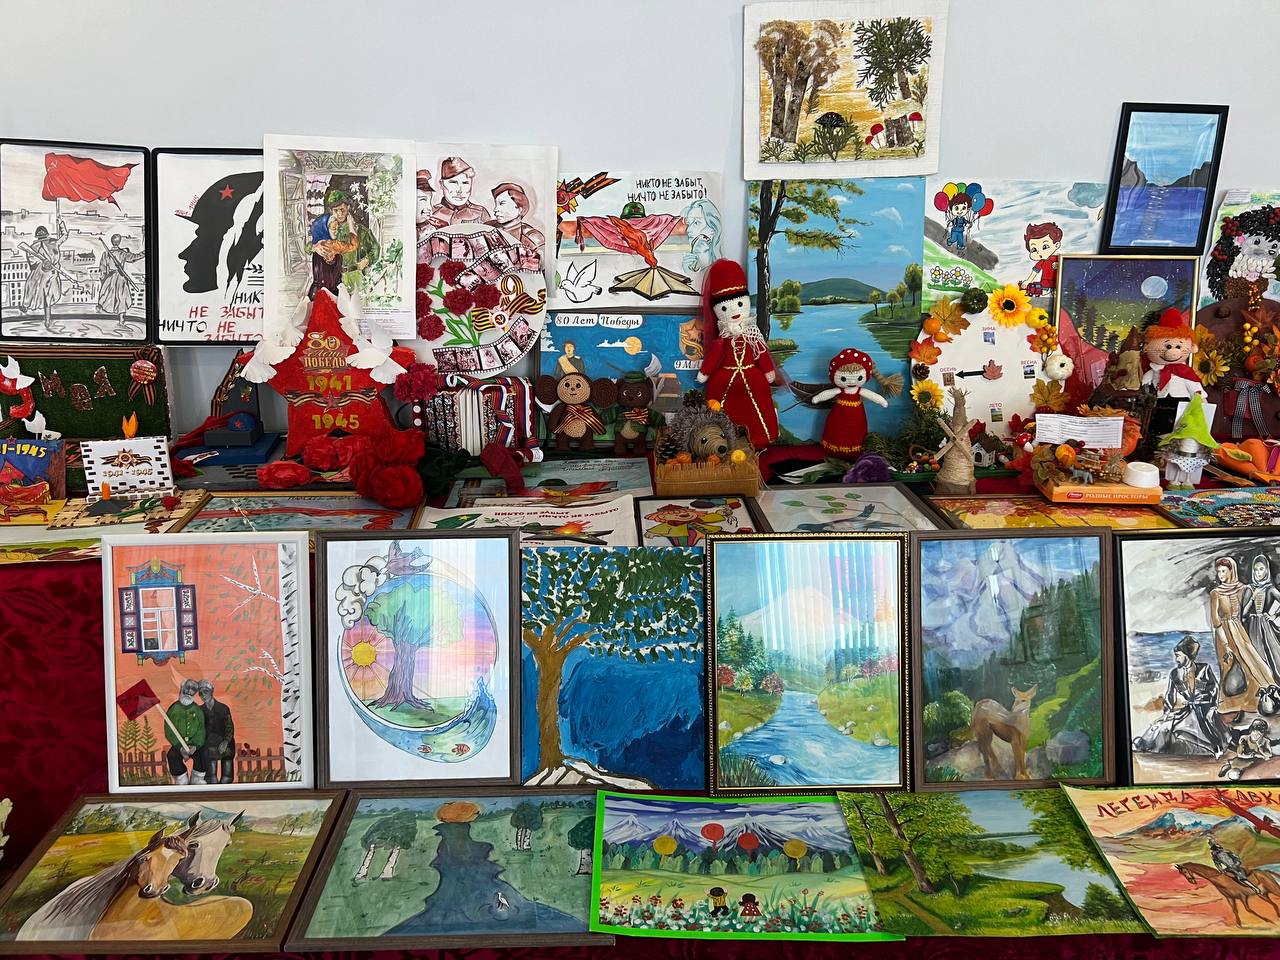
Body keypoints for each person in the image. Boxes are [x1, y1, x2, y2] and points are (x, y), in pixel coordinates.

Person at [696, 259, 779, 448]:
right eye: (725, 308)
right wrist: (704, 373)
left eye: (739, 303)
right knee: (718, 401)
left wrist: (768, 371)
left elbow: (761, 353)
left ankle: (761, 438)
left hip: (752, 374)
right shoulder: (723, 338)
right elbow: (714, 357)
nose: (733, 311)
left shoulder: (752, 333)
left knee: (759, 396)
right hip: (725, 376)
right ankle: (717, 441)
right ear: (717, 310)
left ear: (746, 302)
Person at [1132, 635, 1231, 758]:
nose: (1176, 659)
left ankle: (1217, 748)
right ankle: (1143, 744)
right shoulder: (1174, 674)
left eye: (1178, 655)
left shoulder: (1204, 669)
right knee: (1164, 725)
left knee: (1206, 729)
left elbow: (1214, 688)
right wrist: (1166, 713)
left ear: (1187, 656)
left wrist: (1212, 708)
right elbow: (1170, 695)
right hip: (1188, 709)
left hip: (1204, 708)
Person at [1210, 556, 1274, 712]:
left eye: (1223, 571)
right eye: (1218, 572)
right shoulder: (1215, 593)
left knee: (1250, 661)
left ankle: (1259, 699)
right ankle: (1229, 706)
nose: (1220, 575)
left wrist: (1271, 615)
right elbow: (1215, 621)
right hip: (1224, 633)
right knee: (1229, 666)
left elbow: (1246, 611)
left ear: (1231, 571)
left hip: (1239, 630)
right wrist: (1226, 644)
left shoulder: (1242, 588)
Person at [17, 219, 68, 327]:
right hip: (45, 274)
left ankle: (40, 315)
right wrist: (61, 224)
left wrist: (42, 263)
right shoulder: (50, 243)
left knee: (38, 292)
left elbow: (32, 263)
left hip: (46, 274)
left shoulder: (39, 246)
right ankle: (46, 319)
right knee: (42, 295)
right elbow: (65, 235)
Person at [308, 189, 358, 299]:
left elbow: (353, 246)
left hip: (337, 288)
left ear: (348, 208)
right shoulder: (325, 244)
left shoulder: (334, 243)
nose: (340, 214)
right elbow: (307, 247)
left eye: (342, 210)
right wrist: (314, 247)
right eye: (336, 210)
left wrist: (350, 226)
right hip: (322, 293)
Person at [1242, 554, 1280, 684]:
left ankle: (1273, 684)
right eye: (1256, 569)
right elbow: (1244, 613)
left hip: (1266, 627)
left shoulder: (1270, 589)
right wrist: (1252, 598)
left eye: (1261, 569)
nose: (1258, 573)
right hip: (1252, 626)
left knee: (1272, 655)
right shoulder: (1250, 588)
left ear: (1267, 570)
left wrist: (1274, 615)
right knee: (1256, 655)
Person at [97, 234, 145, 328]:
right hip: (120, 278)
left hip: (110, 277)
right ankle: (121, 319)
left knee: (106, 294)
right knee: (122, 297)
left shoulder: (105, 254)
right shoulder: (122, 253)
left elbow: (102, 269)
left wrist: (103, 280)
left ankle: (100, 308)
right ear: (119, 242)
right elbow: (135, 257)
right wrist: (144, 252)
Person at [488, 183, 544, 261]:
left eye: (502, 203)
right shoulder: (488, 227)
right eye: (496, 204)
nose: (495, 209)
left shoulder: (533, 238)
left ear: (519, 208)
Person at [166, 680, 207, 786]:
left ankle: (197, 778)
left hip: (194, 744)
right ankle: (181, 778)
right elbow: (169, 731)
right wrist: (180, 747)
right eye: (187, 687)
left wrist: (195, 745)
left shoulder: (197, 710)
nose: (189, 691)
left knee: (203, 754)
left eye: (193, 689)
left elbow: (201, 730)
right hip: (179, 744)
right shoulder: (173, 709)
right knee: (172, 756)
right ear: (182, 687)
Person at [427, 157, 490, 227]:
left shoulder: (480, 213)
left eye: (465, 183)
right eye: (453, 183)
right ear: (441, 184)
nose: (460, 190)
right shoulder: (430, 213)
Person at [198, 680, 235, 785]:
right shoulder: (199, 710)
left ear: (212, 691)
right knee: (211, 778)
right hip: (209, 747)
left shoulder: (223, 708)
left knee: (227, 778)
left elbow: (229, 727)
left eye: (206, 691)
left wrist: (225, 742)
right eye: (200, 693)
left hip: (225, 744)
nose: (203, 695)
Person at [1021, 222, 1063, 296]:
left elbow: (1068, 266)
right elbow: (1035, 271)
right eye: (1034, 249)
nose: (1039, 252)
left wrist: (1060, 265)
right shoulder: (1042, 262)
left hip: (1058, 284)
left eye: (1045, 246)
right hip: (1045, 285)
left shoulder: (1058, 258)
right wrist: (1028, 281)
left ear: (1056, 245)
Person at [682, 198, 721, 273]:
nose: (688, 230)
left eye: (697, 223)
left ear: (713, 228)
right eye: (689, 224)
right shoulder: (689, 262)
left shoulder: (723, 264)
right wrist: (688, 273)